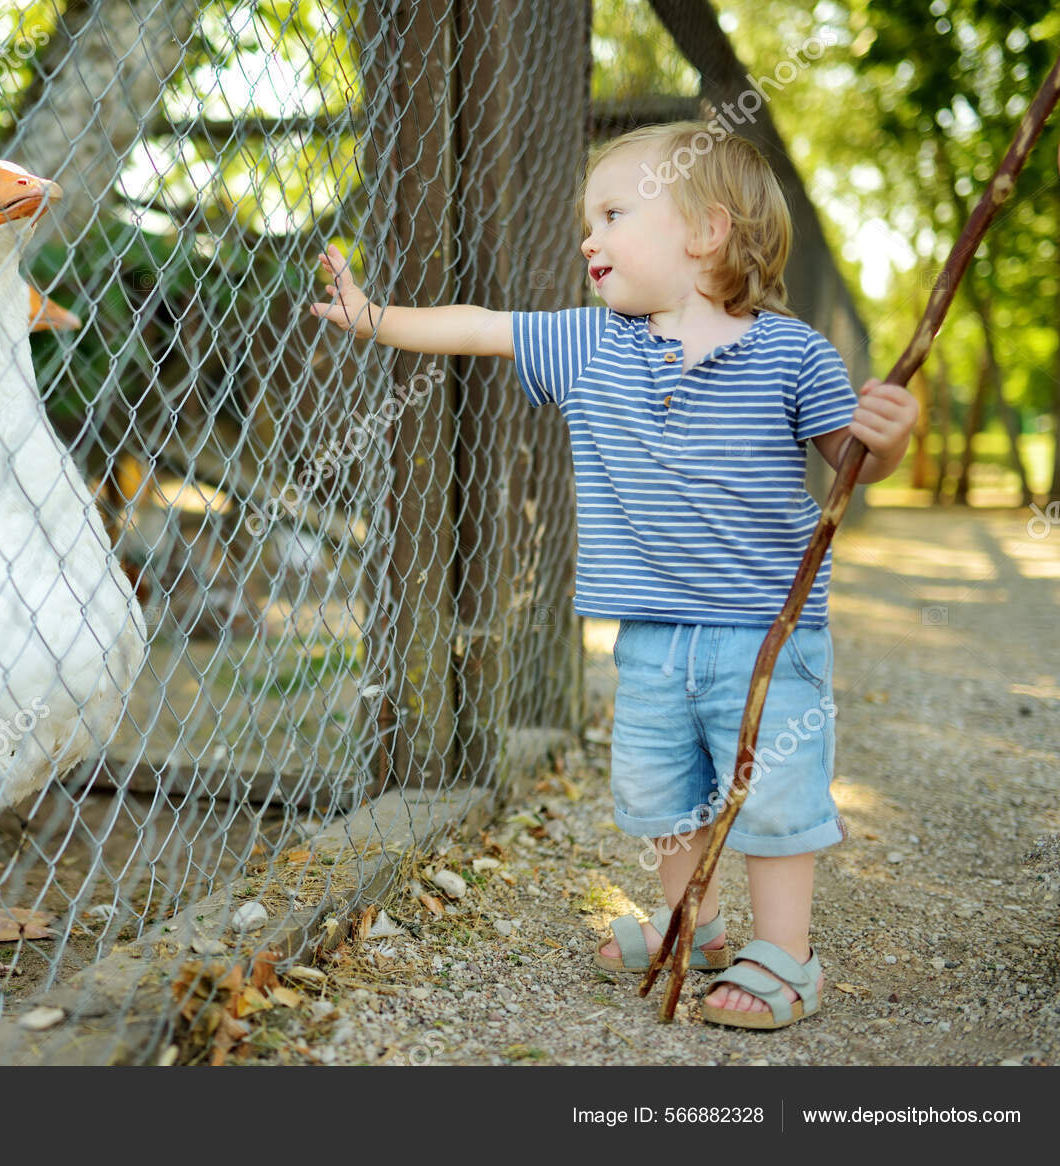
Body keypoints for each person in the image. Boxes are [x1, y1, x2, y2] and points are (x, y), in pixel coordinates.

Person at [307, 122, 918, 1028]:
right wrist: (374, 318)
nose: (587, 239)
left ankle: (788, 956)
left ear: (706, 233)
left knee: (777, 795)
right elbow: (479, 327)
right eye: (587, 221)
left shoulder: (794, 355)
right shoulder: (591, 343)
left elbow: (847, 462)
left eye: (613, 215)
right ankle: (693, 927)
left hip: (768, 636)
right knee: (661, 790)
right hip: (648, 634)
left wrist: (888, 438)